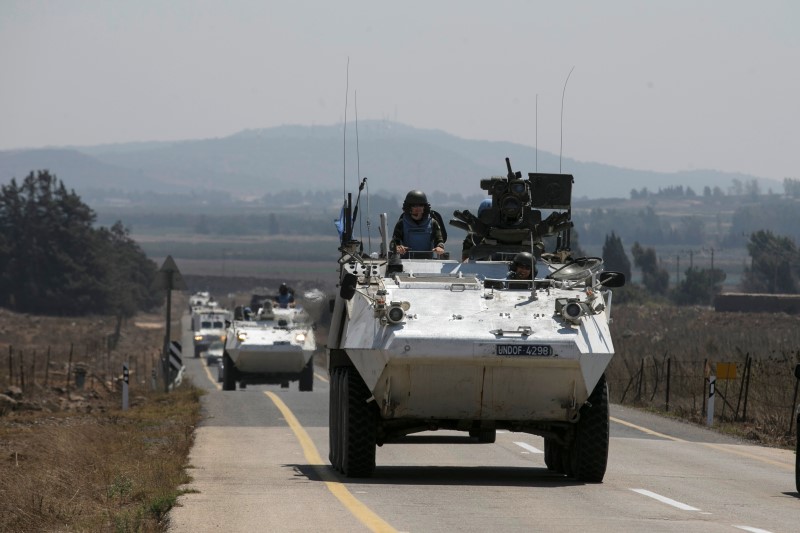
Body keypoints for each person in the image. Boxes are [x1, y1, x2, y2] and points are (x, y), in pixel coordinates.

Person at [390, 190, 445, 257]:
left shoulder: (433, 223)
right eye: (414, 205)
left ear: (425, 207)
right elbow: (394, 242)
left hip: (428, 262)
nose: (418, 208)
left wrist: (440, 247)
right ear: (409, 207)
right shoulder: (401, 223)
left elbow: (439, 240)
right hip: (407, 262)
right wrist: (397, 247)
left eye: (421, 205)